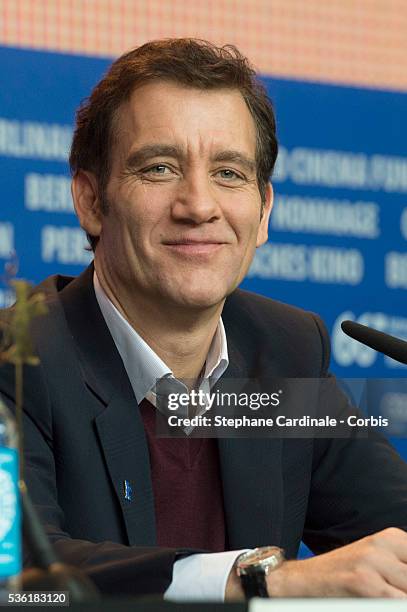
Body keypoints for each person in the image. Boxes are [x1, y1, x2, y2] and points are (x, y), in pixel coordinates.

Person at [1, 38, 407, 600]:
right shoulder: (19, 362)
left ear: (263, 211)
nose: (198, 205)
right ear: (92, 201)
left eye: (229, 174)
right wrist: (259, 581)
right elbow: (20, 579)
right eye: (160, 167)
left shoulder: (282, 351)